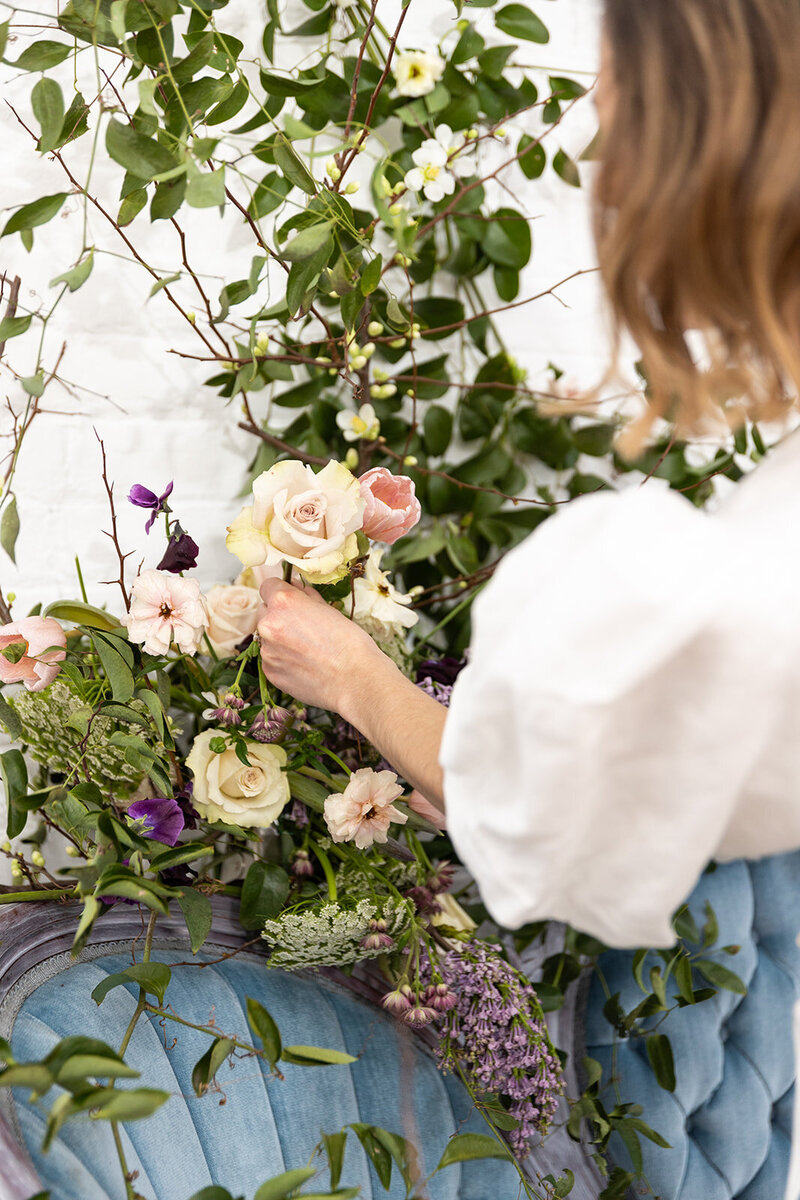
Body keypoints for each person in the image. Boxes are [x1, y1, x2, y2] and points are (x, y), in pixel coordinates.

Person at [257, 1, 800, 953]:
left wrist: (351, 674)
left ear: (702, 122)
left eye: (615, 72)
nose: (594, 106)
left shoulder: (733, 576)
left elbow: (543, 805)